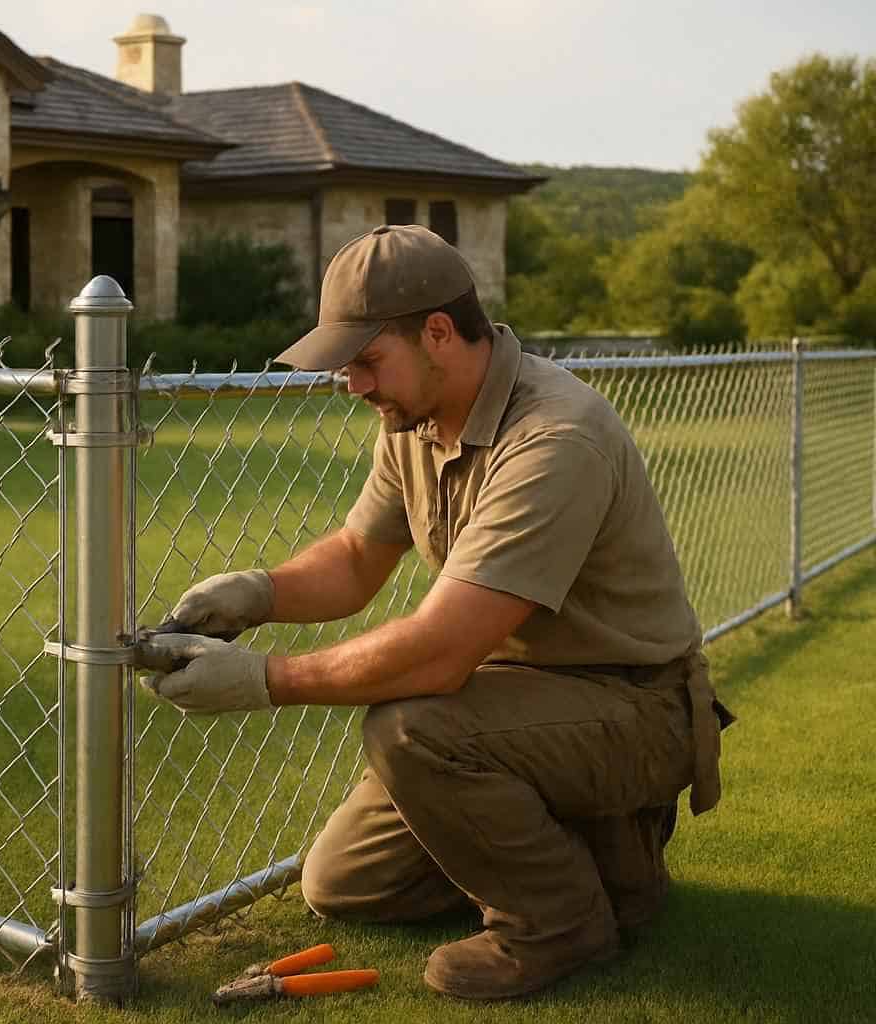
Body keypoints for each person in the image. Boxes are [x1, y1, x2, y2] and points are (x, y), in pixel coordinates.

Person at [138, 224, 733, 1001]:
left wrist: (262, 679)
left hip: (634, 703)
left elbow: (441, 652)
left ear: (440, 334)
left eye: (365, 360)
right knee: (344, 883)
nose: (353, 385)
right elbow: (358, 556)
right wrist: (256, 592)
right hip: (517, 702)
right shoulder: (416, 418)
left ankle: (559, 925)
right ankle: (601, 860)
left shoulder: (556, 435)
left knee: (410, 728)